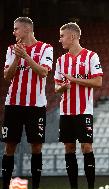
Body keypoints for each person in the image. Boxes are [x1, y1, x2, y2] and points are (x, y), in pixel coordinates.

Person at [1, 17, 53, 189]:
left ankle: (36, 186)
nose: (14, 32)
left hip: (36, 106)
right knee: (10, 146)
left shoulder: (46, 48)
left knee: (36, 147)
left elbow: (43, 72)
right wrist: (17, 57)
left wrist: (26, 56)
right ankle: (6, 185)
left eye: (16, 29)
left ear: (26, 29)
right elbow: (7, 76)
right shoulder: (10, 49)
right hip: (13, 104)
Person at [54, 22, 103, 189]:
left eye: (62, 36)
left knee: (86, 146)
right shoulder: (61, 60)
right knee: (68, 148)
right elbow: (56, 87)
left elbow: (98, 81)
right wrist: (62, 87)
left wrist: (75, 80)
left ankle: (90, 186)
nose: (60, 39)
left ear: (72, 36)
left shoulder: (91, 56)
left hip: (84, 110)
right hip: (65, 111)